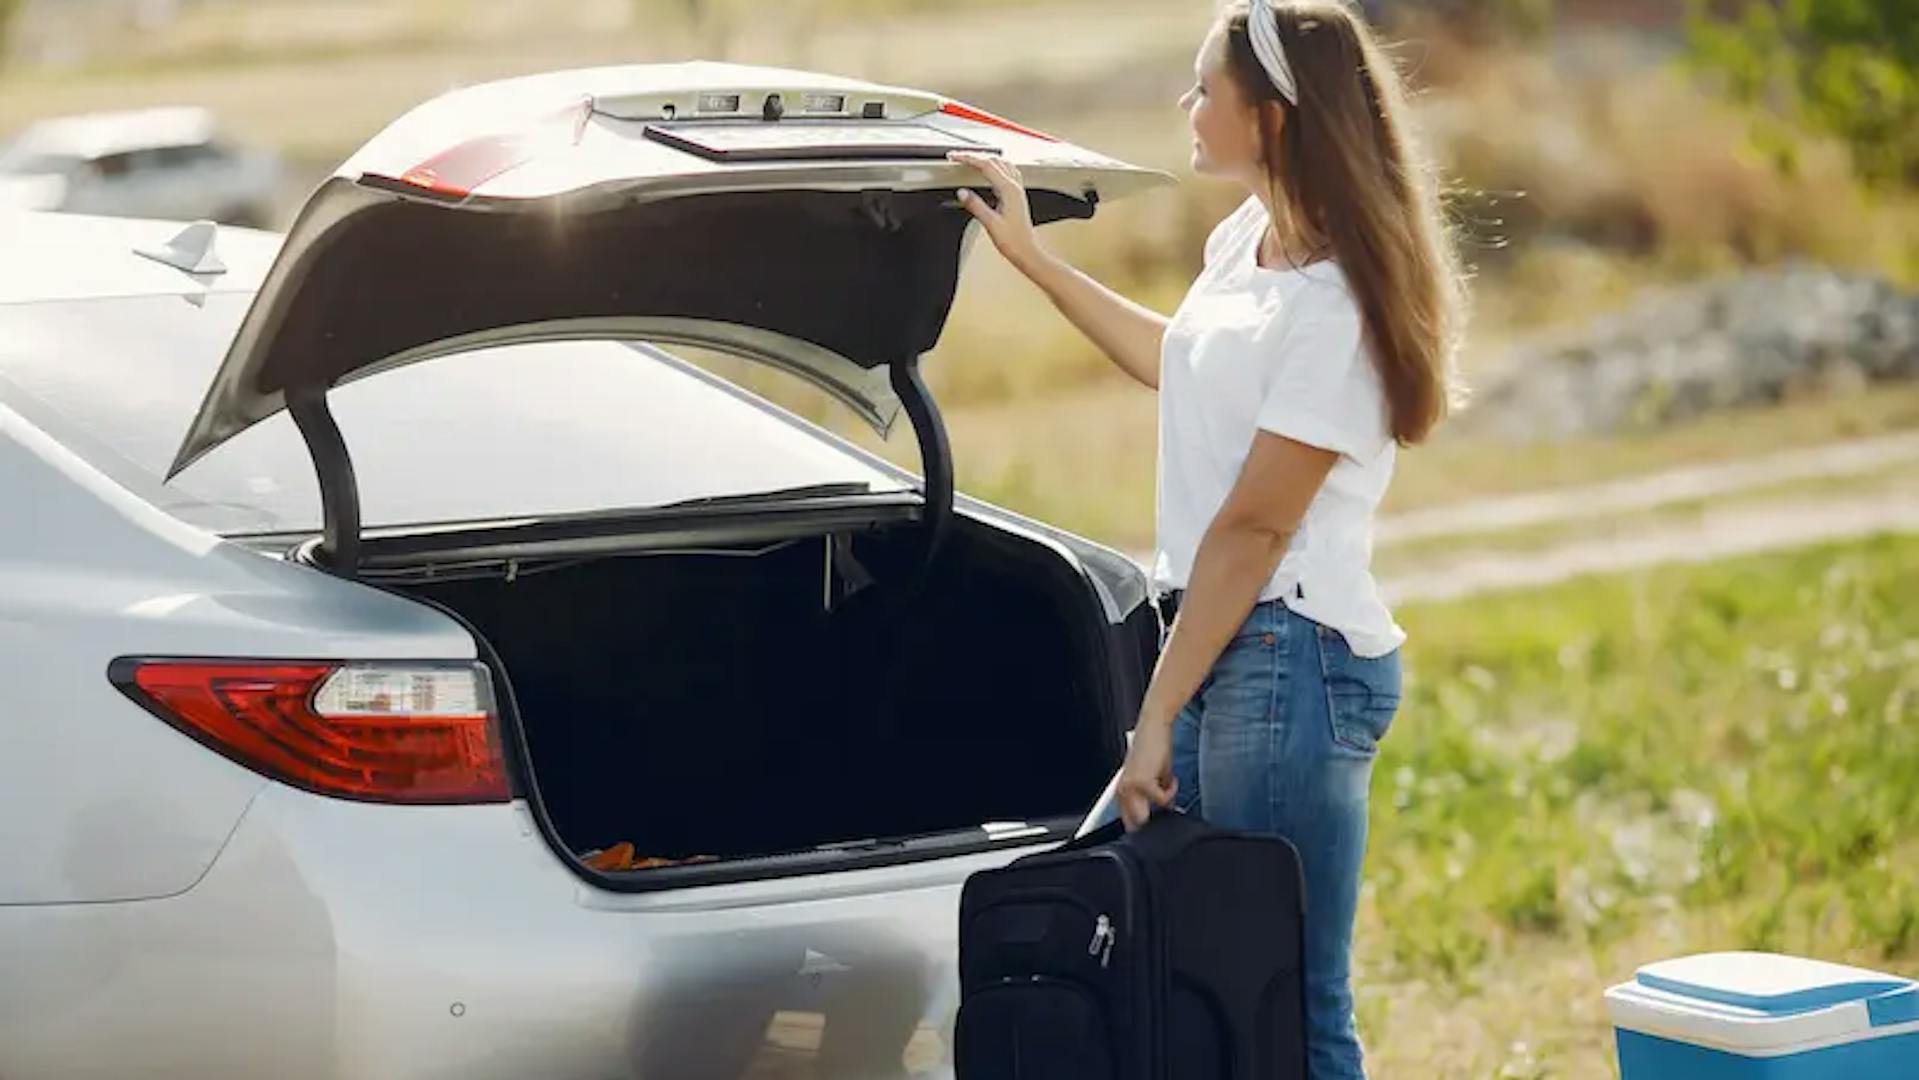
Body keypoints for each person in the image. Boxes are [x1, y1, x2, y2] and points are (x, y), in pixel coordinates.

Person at [948, 0, 1465, 1074]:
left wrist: (1153, 720)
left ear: (1270, 117)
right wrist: (1033, 261)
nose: (1185, 105)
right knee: (1172, 970)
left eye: (1202, 89)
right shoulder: (1248, 242)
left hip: (1288, 662)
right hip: (1233, 651)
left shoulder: (1337, 308)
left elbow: (1252, 529)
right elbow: (1171, 356)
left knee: (1286, 1001)